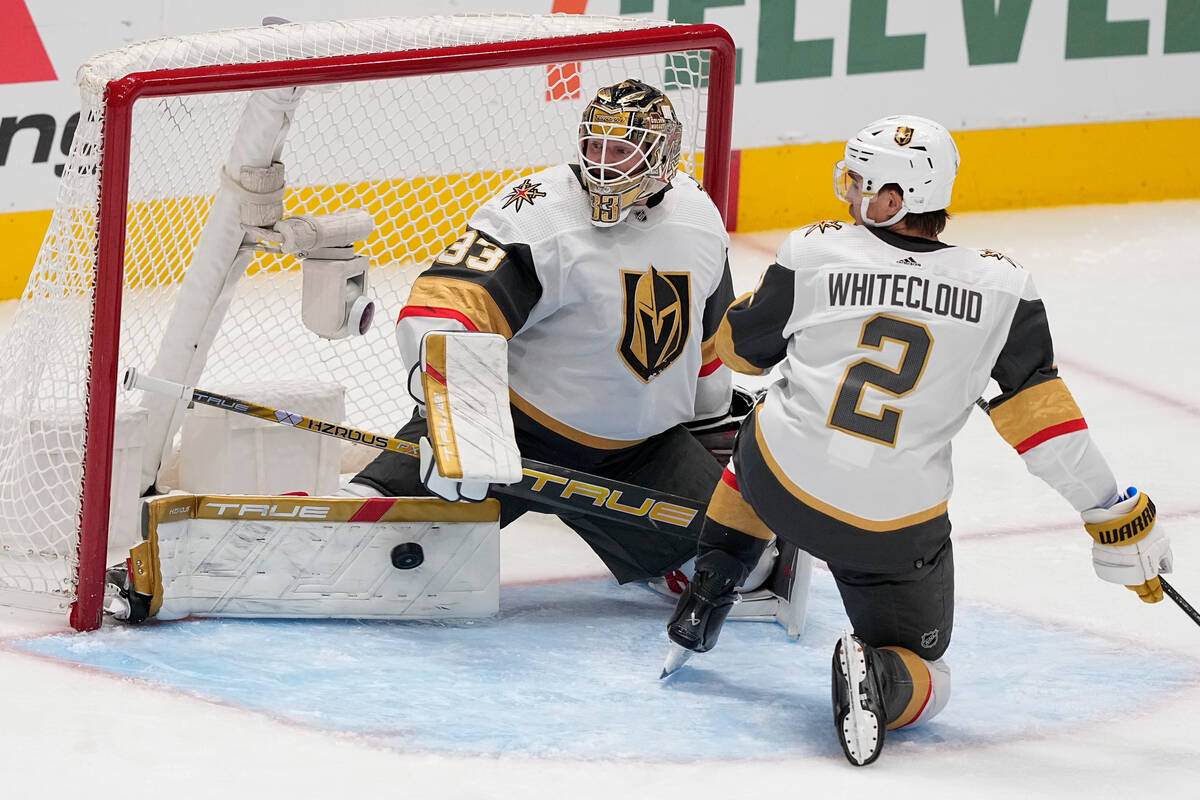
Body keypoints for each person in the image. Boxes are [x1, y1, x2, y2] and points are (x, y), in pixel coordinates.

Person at [662, 114, 1174, 766]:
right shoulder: (1003, 288)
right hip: (889, 532)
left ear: (895, 200)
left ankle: (713, 584)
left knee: (766, 419)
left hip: (779, 488)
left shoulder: (814, 250)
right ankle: (883, 677)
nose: (848, 193)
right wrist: (1115, 514)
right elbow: (1047, 430)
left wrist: (768, 302)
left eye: (861, 182)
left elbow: (740, 353)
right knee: (930, 669)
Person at [346, 79, 739, 587]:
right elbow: (445, 308)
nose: (601, 163)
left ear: (662, 156)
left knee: (736, 561)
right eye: (593, 145)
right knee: (372, 543)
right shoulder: (538, 208)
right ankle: (368, 502)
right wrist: (459, 427)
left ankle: (664, 560)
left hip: (641, 451)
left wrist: (711, 431)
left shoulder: (699, 218)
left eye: (619, 150)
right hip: (511, 432)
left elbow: (707, 342)